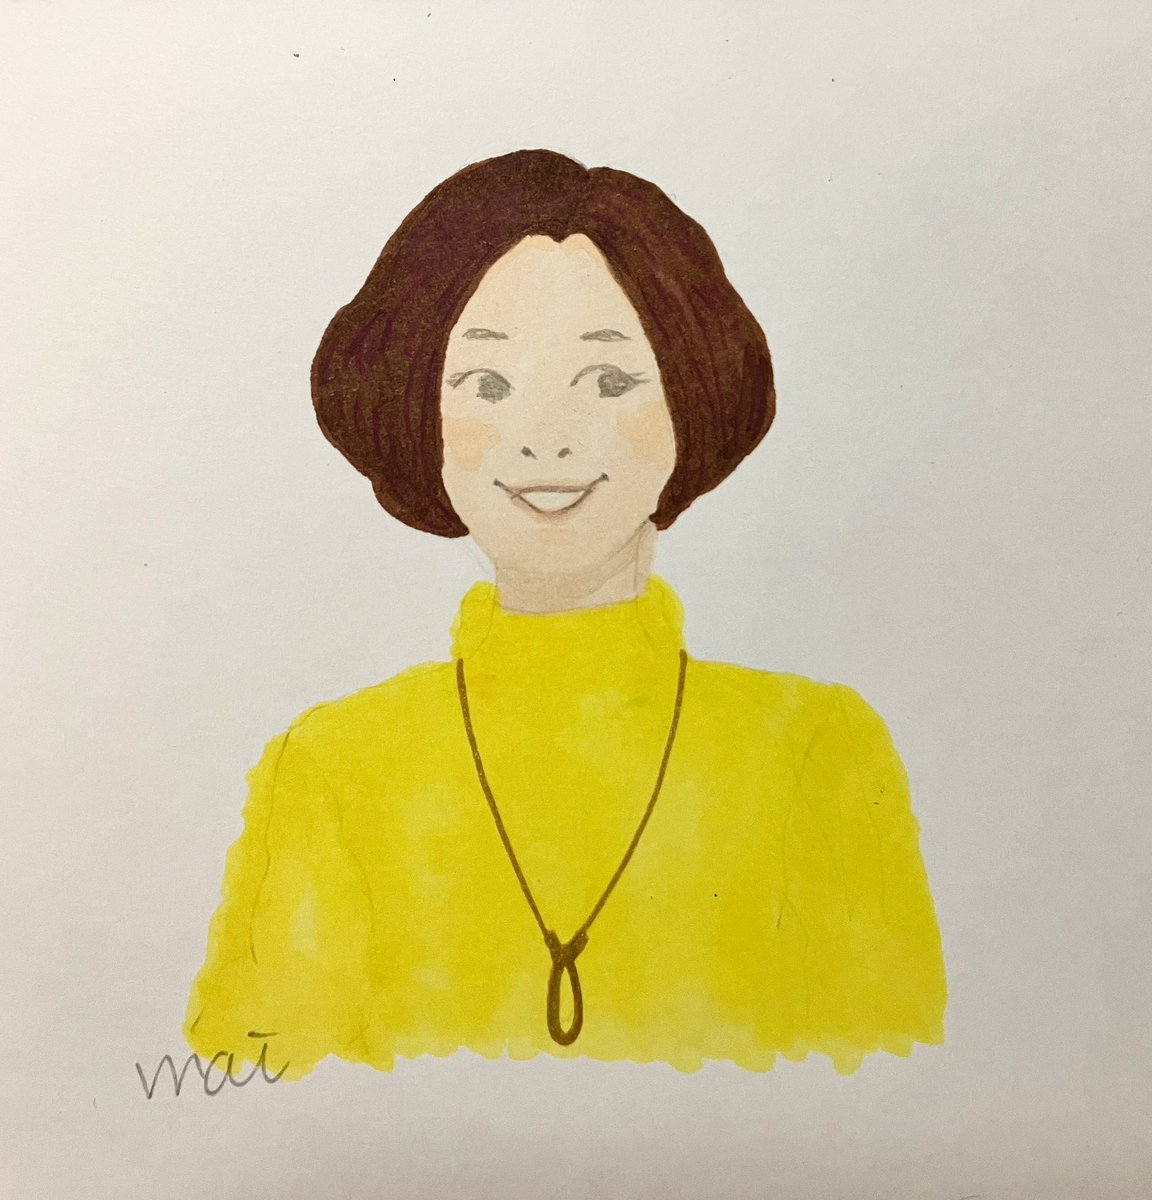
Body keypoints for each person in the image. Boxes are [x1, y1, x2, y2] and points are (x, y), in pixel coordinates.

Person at [184, 149, 946, 1080]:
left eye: (610, 382)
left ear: (693, 395)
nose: (546, 438)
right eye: (489, 386)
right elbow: (248, 1091)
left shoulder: (817, 749)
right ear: (417, 409)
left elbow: (893, 1088)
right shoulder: (327, 767)